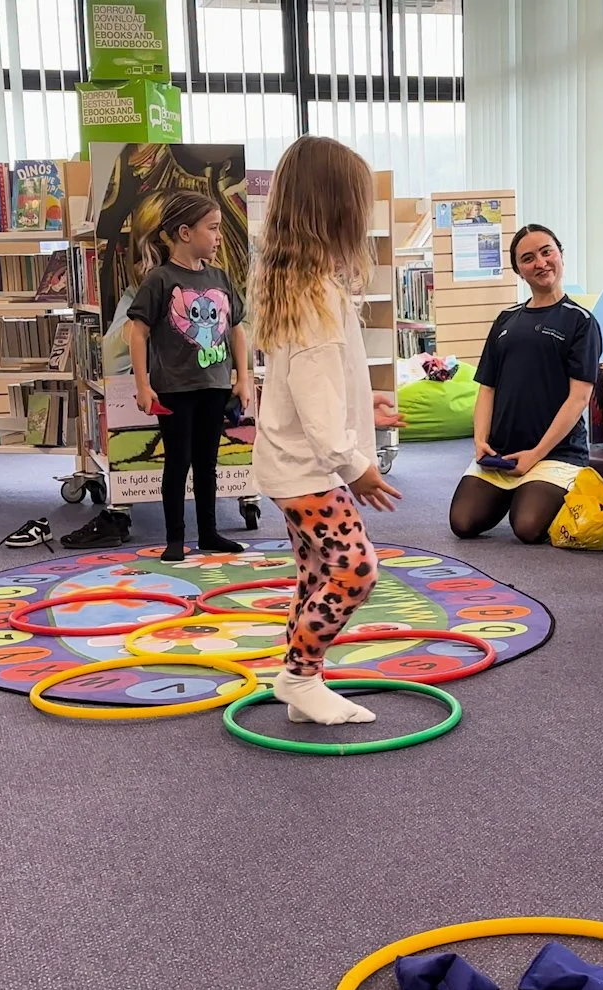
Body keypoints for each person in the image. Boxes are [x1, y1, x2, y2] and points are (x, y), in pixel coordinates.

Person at [251, 135, 402, 727]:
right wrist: (356, 465)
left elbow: (317, 382)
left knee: (316, 572)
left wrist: (369, 404)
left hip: (293, 463)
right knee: (354, 570)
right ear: (335, 209)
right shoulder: (315, 296)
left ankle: (300, 681)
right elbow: (317, 409)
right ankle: (300, 675)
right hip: (311, 468)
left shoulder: (302, 286)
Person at [449, 225, 602, 543]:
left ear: (560, 254)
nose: (541, 263)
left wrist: (535, 454)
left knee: (527, 528)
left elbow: (578, 398)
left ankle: (551, 487)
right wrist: (480, 442)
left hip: (556, 454)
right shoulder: (506, 319)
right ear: (519, 270)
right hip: (500, 453)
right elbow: (487, 388)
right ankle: (518, 489)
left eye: (547, 252)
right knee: (463, 523)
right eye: (528, 258)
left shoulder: (580, 321)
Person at [124, 190, 253, 563]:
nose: (218, 237)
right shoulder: (160, 280)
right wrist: (143, 384)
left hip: (214, 386)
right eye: (212, 228)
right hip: (175, 390)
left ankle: (210, 533)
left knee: (207, 462)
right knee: (177, 462)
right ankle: (175, 537)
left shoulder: (220, 277)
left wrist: (242, 378)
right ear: (185, 232)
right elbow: (139, 332)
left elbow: (237, 329)